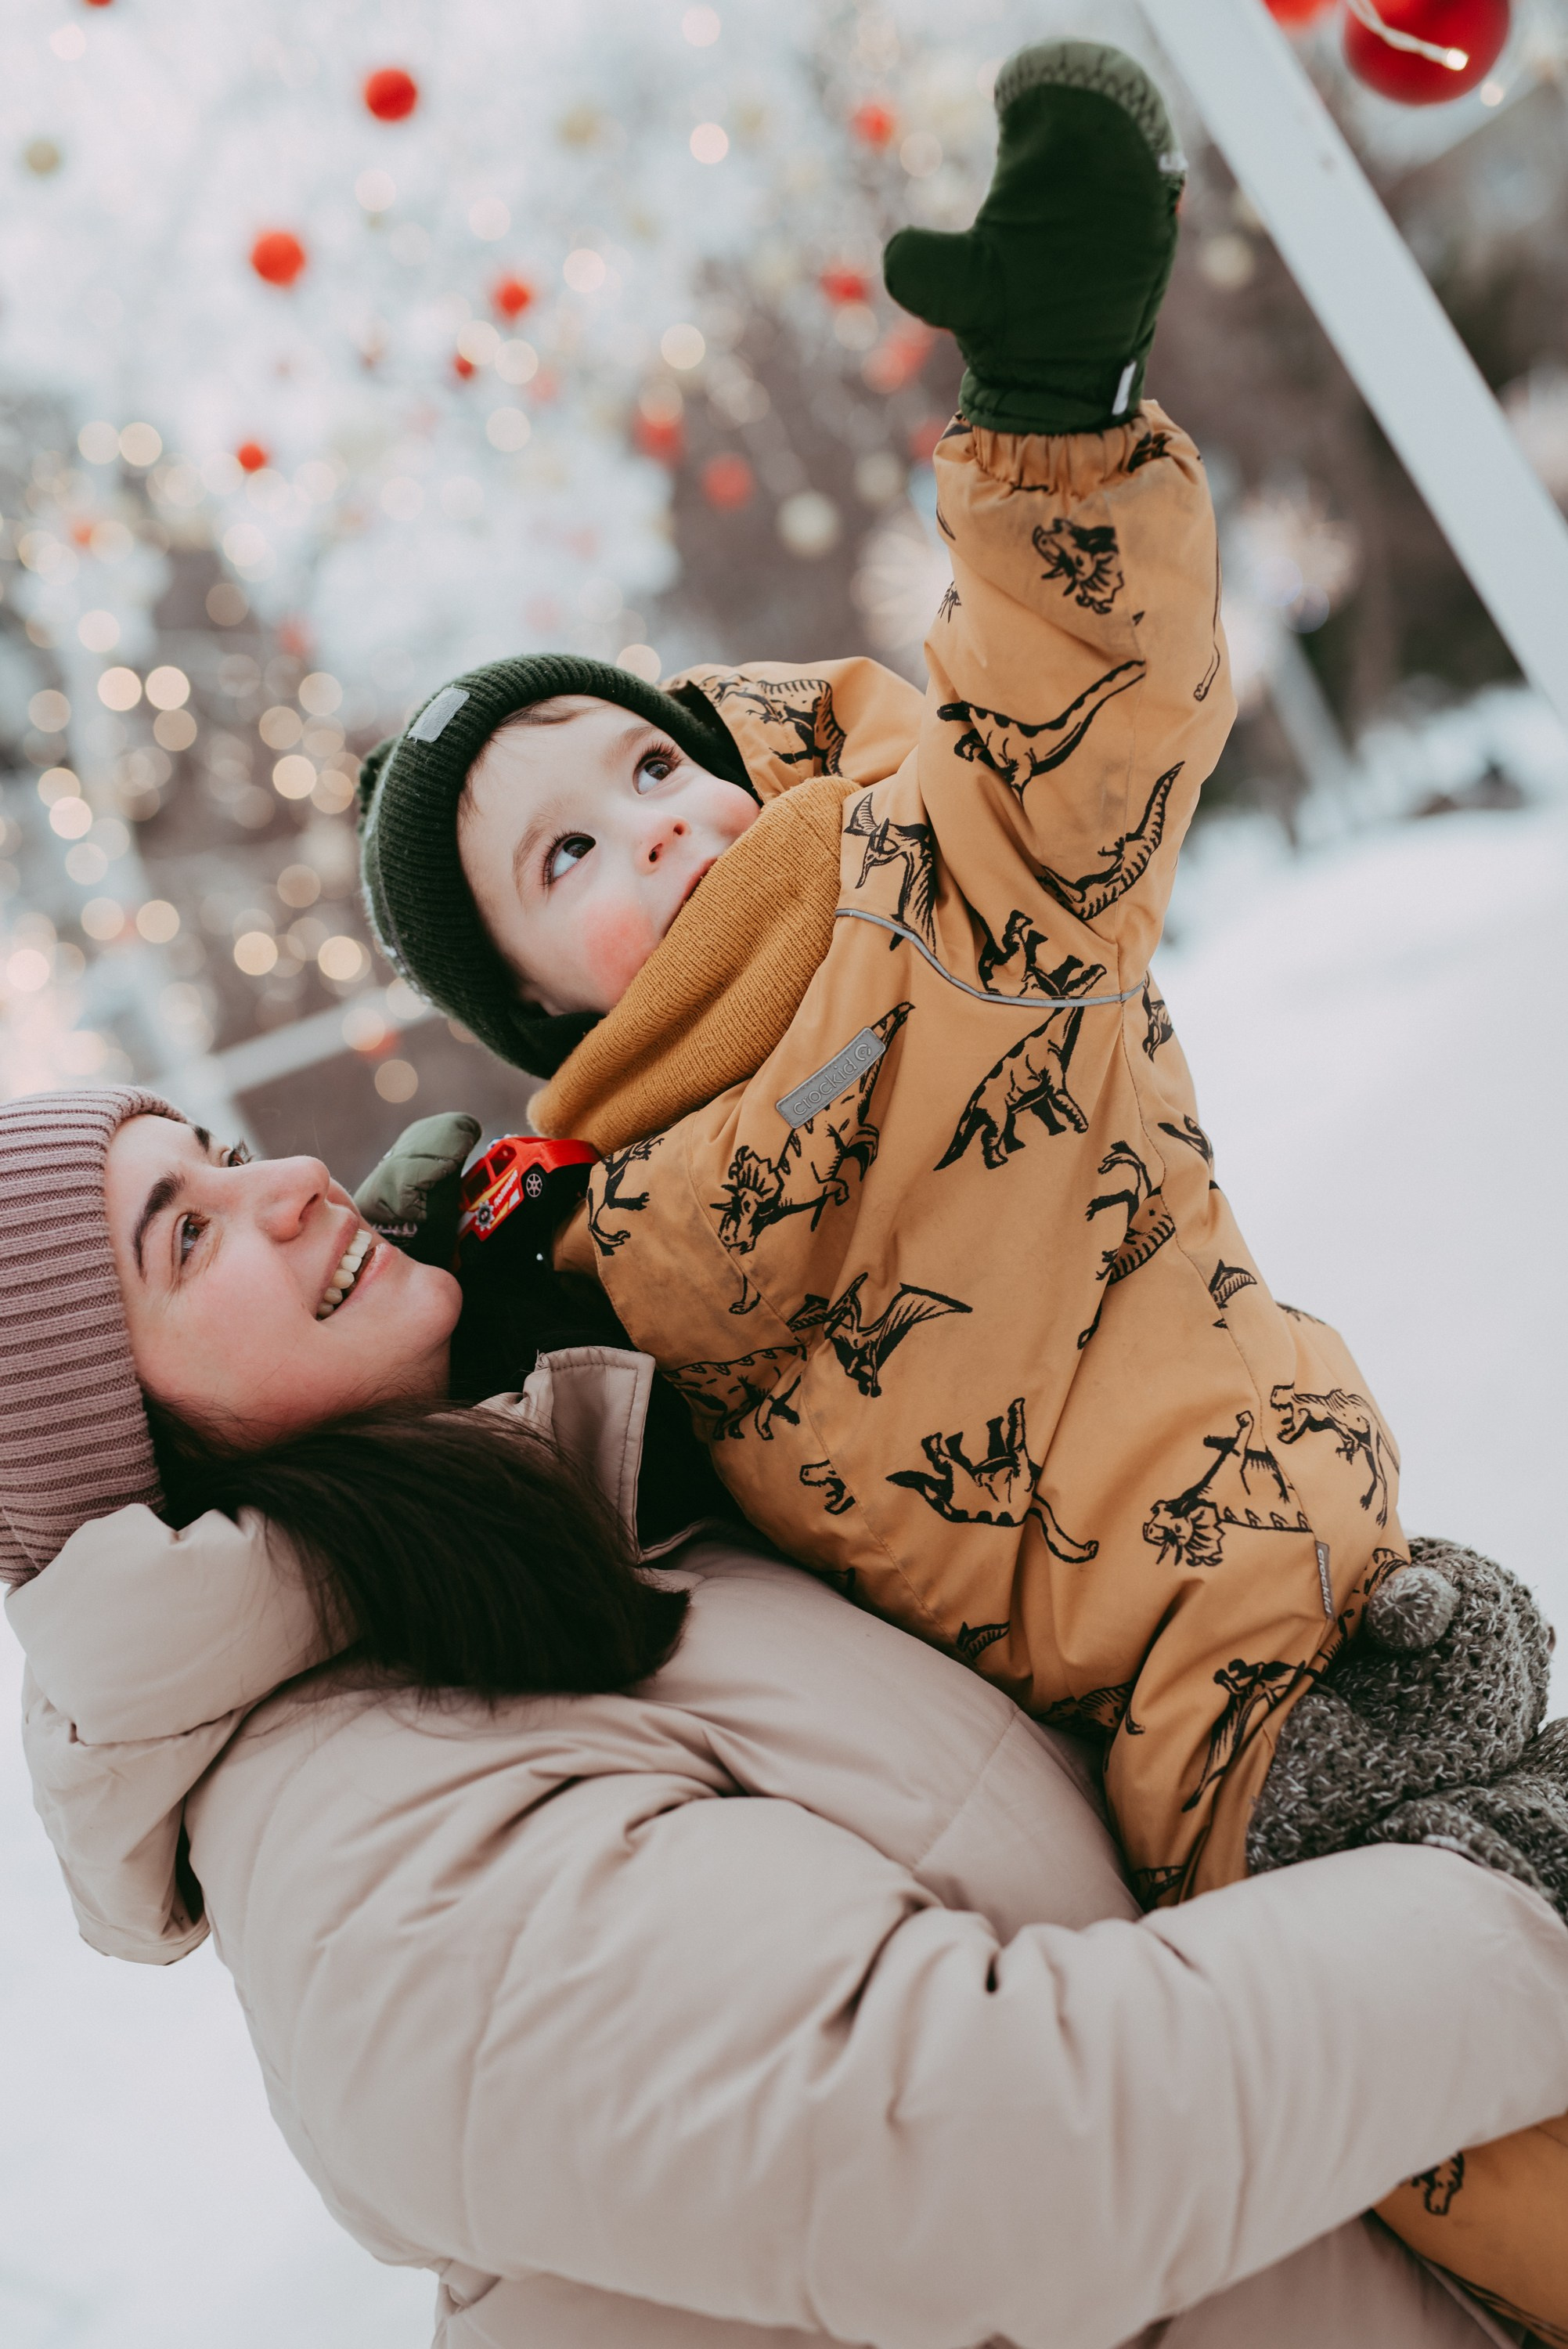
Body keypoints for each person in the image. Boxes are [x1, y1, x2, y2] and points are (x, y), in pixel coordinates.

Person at [5, 1084, 1568, 2349]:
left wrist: (1310, 1754)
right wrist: (1512, 1897)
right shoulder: (374, 1866)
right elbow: (1010, 2154)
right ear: (121, 1466)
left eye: (219, 1153)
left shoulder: (558, 1549)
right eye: (187, 1239)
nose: (285, 1179)